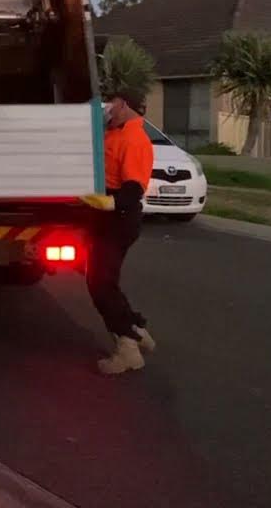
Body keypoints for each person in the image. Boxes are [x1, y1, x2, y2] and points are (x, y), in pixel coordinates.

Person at [91, 90, 156, 375]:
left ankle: (128, 347)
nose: (108, 110)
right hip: (108, 218)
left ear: (124, 104)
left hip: (120, 218)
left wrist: (110, 202)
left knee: (100, 284)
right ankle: (137, 329)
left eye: (112, 104)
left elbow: (134, 188)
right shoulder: (115, 133)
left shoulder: (134, 139)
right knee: (105, 281)